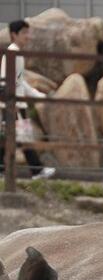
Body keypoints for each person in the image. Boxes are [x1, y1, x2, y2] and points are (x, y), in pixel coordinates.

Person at [0, 19, 55, 179]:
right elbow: (7, 79)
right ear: (14, 35)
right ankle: (37, 171)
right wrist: (12, 102)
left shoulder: (15, 53)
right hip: (14, 104)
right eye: (24, 33)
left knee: (7, 137)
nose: (28, 36)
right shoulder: (13, 53)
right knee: (24, 137)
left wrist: (38, 95)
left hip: (12, 102)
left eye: (28, 32)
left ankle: (3, 169)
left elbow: (19, 81)